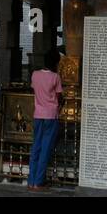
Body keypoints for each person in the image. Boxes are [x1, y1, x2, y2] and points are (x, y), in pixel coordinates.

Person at [28, 50, 63, 191]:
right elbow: (59, 96)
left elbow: (34, 91)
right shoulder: (55, 77)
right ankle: (38, 182)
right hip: (51, 115)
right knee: (45, 148)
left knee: (36, 147)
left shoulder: (35, 75)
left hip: (38, 114)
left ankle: (31, 181)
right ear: (55, 63)